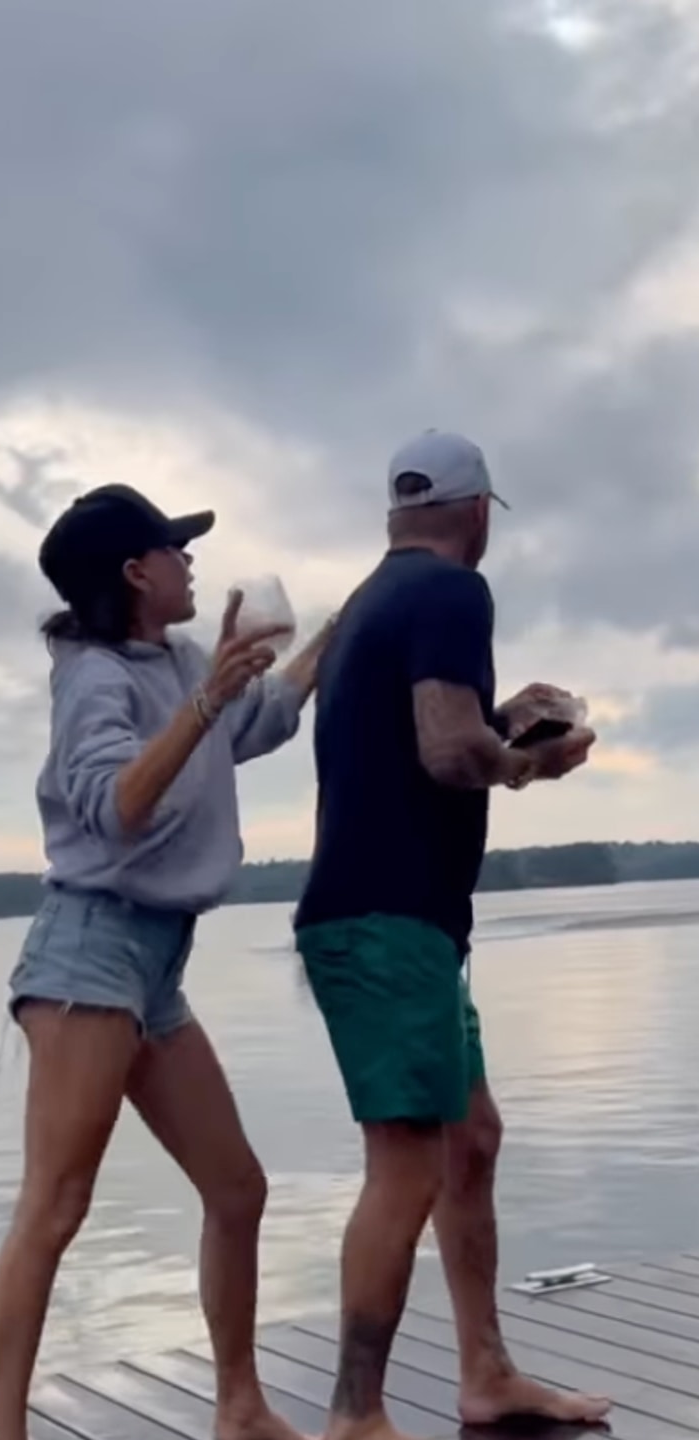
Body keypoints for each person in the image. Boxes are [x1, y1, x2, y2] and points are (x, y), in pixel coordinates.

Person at [0, 482, 333, 1440]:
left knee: (238, 1188)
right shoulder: (93, 678)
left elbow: (257, 720)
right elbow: (117, 807)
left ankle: (240, 1408)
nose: (192, 564)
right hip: (87, 955)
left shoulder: (182, 658)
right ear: (136, 573)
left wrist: (341, 629)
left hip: (155, 970)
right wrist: (209, 696)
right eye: (175, 551)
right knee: (55, 1209)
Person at [294, 432, 612, 1440]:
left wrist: (502, 722)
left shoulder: (372, 606)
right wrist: (533, 763)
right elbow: (446, 751)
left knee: (470, 1140)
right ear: (479, 513)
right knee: (407, 1167)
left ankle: (486, 1373)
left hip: (406, 922)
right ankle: (356, 1416)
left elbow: (433, 726)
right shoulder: (452, 596)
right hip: (386, 924)